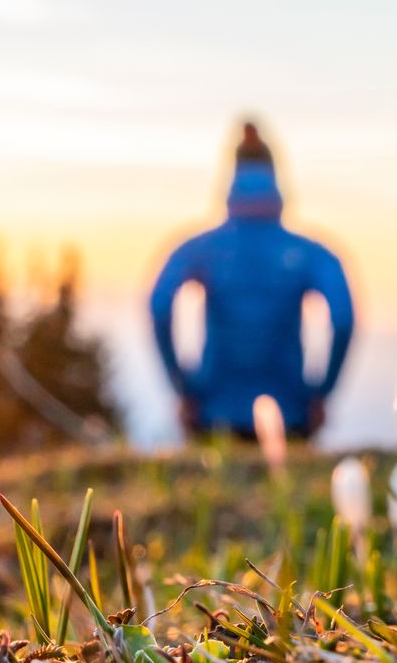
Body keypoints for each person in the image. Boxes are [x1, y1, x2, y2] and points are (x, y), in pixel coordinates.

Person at [150, 121, 355, 438]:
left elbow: (160, 306)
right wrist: (320, 393)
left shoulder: (201, 248)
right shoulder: (311, 253)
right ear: (275, 177)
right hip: (290, 414)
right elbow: (342, 318)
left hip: (213, 411)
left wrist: (184, 388)